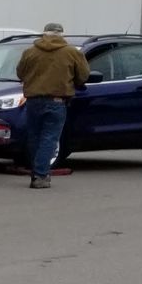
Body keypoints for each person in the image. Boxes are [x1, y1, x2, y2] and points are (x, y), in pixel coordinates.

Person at [15, 22, 89, 189]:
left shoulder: (29, 52)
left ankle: (37, 172)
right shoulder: (72, 53)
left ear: (44, 34)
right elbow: (83, 75)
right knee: (49, 138)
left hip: (33, 100)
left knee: (34, 137)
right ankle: (41, 175)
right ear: (62, 35)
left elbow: (20, 73)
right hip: (57, 100)